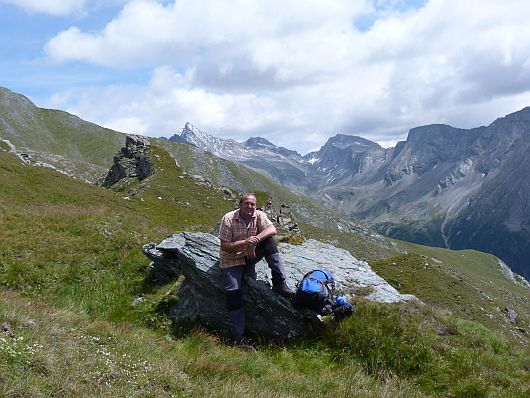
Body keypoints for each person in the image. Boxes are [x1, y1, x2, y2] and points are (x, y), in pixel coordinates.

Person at [219, 193, 293, 347]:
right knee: (233, 292)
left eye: (253, 204)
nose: (250, 207)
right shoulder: (228, 219)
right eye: (246, 203)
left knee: (269, 242)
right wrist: (245, 242)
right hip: (232, 259)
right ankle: (240, 337)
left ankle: (279, 283)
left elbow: (272, 229)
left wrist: (256, 241)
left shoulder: (258, 215)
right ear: (240, 205)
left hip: (249, 256)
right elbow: (225, 246)